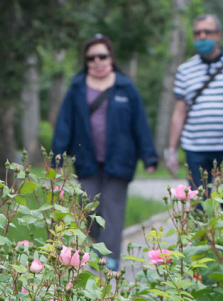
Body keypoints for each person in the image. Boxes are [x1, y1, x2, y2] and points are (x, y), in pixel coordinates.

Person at [52, 34, 158, 272]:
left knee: (112, 210)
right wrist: (57, 157)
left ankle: (108, 262)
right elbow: (64, 125)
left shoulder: (125, 86)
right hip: (87, 160)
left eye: (102, 55)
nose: (97, 61)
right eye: (92, 57)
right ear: (86, 60)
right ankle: (101, 249)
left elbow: (139, 123)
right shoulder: (77, 87)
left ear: (111, 57)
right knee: (86, 208)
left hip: (120, 160)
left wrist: (149, 155)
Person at [166, 14, 223, 196]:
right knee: (199, 202)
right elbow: (179, 112)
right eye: (197, 33)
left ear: (218, 35)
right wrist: (171, 149)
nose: (202, 37)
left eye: (207, 32)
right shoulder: (185, 70)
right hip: (196, 148)